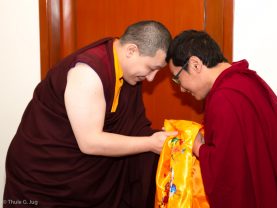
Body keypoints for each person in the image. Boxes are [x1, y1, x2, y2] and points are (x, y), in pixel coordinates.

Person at [3, 20, 177, 208]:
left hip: (83, 179)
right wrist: (150, 143)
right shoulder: (88, 73)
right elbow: (90, 143)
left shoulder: (126, 72)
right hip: (44, 177)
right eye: (151, 68)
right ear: (131, 51)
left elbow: (132, 127)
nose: (151, 78)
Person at [166, 30, 277, 207]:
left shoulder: (224, 98)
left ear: (195, 64)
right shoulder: (248, 81)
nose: (181, 89)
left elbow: (228, 170)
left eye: (177, 78)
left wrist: (198, 148)